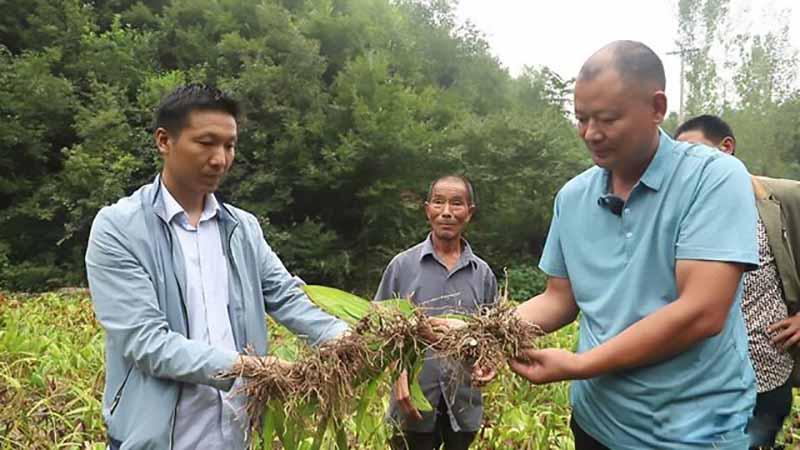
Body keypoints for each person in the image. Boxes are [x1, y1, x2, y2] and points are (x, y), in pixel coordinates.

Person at [507, 41, 759, 449]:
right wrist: (484, 332)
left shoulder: (713, 179)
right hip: (596, 420)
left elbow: (702, 312)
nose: (591, 133)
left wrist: (580, 365)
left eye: (607, 118)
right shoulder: (572, 198)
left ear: (657, 107)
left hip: (693, 433)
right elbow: (558, 299)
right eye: (582, 118)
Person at [85, 84, 348, 449]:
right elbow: (145, 341)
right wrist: (247, 367)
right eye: (206, 142)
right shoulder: (119, 227)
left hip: (235, 434)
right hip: (159, 439)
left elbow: (287, 298)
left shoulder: (242, 228)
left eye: (230, 145)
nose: (220, 159)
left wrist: (352, 340)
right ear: (164, 140)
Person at [675, 114, 800, 448]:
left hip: (767, 371)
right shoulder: (684, 210)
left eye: (696, 154)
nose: (689, 167)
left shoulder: (782, 197)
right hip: (703, 382)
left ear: (726, 148)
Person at [374, 175, 498, 450]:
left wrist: (490, 363)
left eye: (456, 203)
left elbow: (493, 336)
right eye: (439, 202)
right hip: (412, 406)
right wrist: (397, 373)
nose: (446, 212)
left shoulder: (483, 274)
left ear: (470, 212)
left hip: (463, 405)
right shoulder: (401, 266)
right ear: (427, 209)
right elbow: (377, 330)